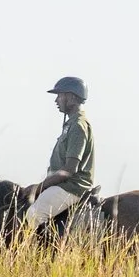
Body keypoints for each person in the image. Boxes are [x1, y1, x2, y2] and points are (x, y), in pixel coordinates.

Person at [23, 77, 97, 231]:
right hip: (62, 186)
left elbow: (69, 170)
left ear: (71, 97)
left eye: (60, 95)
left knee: (34, 215)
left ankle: (45, 254)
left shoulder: (78, 125)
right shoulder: (70, 124)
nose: (56, 100)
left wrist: (39, 187)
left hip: (72, 186)